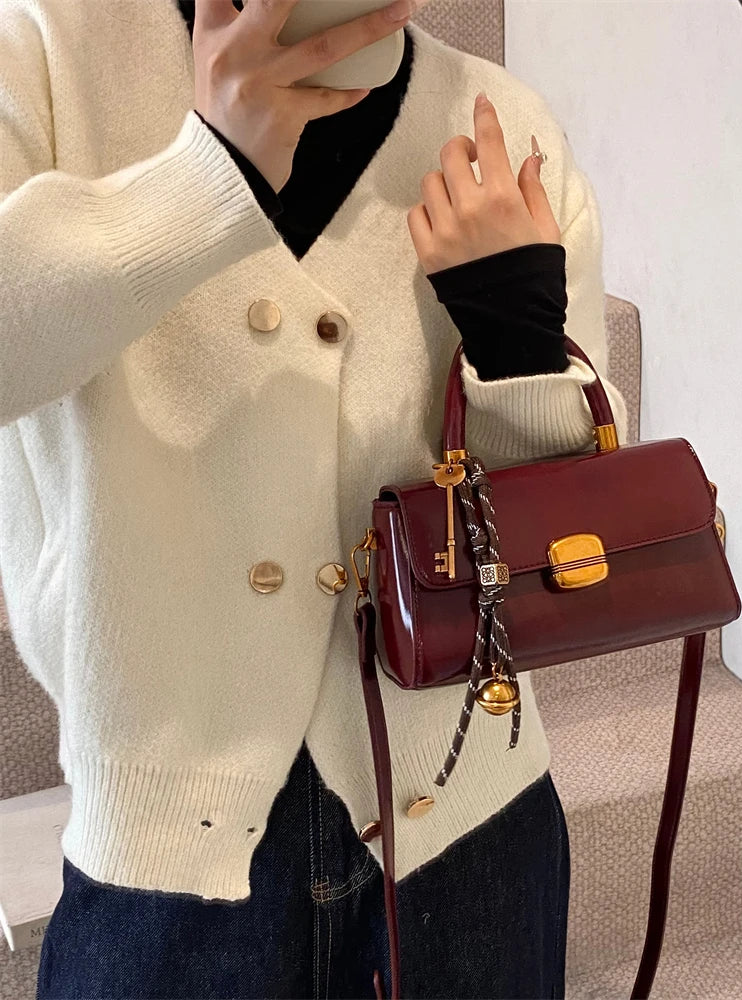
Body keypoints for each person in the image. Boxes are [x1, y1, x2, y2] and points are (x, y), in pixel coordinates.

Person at [0, 0, 629, 996]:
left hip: (468, 814)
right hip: (166, 855)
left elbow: (570, 516)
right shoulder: (47, 51)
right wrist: (205, 179)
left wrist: (517, 344)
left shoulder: (501, 123)